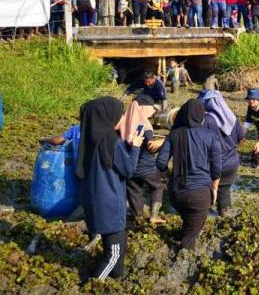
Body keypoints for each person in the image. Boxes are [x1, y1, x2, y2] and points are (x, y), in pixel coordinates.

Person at [76, 97, 142, 280]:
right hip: (109, 205)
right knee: (113, 254)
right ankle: (93, 285)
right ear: (107, 117)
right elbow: (128, 170)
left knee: (116, 247)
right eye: (119, 114)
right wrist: (135, 147)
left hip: (95, 202)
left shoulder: (90, 139)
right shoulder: (111, 141)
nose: (122, 117)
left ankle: (117, 279)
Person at [156, 99, 221, 249]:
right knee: (191, 236)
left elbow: (160, 163)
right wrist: (215, 190)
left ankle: (181, 239)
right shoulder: (210, 135)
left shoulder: (173, 134)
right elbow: (217, 168)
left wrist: (168, 177)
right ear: (201, 116)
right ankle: (181, 260)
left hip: (176, 193)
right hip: (200, 194)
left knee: (188, 222)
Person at [199, 90, 244, 216]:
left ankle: (206, 217)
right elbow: (241, 138)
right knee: (224, 191)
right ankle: (224, 214)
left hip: (213, 163)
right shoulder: (232, 117)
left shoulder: (206, 120)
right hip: (232, 161)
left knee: (208, 191)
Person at [122, 95, 165, 226]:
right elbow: (150, 146)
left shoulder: (125, 121)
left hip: (130, 166)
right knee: (157, 187)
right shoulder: (144, 125)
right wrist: (163, 142)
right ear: (142, 108)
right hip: (146, 166)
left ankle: (137, 216)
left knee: (134, 190)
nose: (153, 111)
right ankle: (154, 216)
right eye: (151, 108)